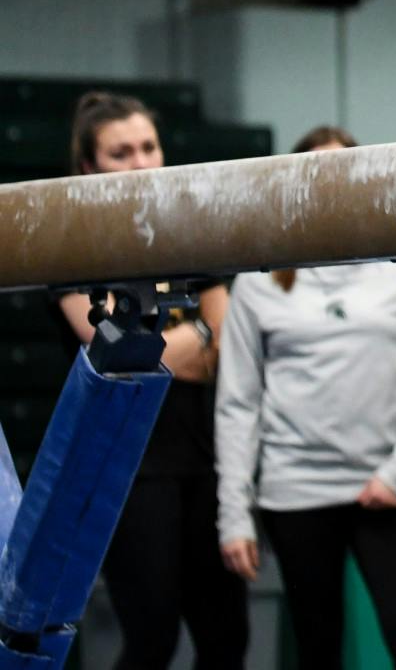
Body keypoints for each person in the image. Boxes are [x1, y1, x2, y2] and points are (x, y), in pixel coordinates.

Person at [215, 126, 396, 670]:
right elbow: (237, 403)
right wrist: (234, 513)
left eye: (345, 173)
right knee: (317, 649)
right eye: (318, 176)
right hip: (295, 491)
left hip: (387, 489)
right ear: (295, 188)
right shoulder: (260, 283)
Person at [52, 91, 248, 670]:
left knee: (225, 639)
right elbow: (115, 350)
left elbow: (223, 344)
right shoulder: (70, 242)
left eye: (149, 147)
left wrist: (182, 341)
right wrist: (201, 336)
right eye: (121, 153)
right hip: (127, 470)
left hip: (204, 462)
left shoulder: (190, 235)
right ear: (88, 167)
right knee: (152, 638)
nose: (141, 162)